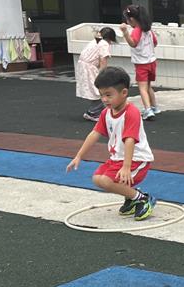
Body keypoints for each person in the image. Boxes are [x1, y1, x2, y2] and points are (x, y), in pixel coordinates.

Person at [66, 66, 156, 221]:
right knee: (97, 178)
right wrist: (78, 156)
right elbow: (94, 134)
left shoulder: (131, 112)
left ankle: (142, 198)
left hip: (136, 159)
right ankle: (132, 196)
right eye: (101, 95)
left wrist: (126, 167)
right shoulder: (106, 113)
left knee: (107, 181)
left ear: (124, 93)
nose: (104, 99)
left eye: (108, 95)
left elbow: (129, 140)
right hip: (117, 159)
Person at [120, 5, 159, 119]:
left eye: (127, 20)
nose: (127, 22)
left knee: (142, 88)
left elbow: (133, 43)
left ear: (132, 19)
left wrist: (125, 32)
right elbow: (155, 43)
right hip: (151, 61)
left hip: (141, 63)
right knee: (148, 86)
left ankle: (148, 110)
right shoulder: (148, 30)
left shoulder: (137, 30)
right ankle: (154, 107)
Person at [78, 27, 117, 121]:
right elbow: (103, 60)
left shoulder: (96, 41)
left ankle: (96, 111)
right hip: (89, 67)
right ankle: (93, 112)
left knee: (94, 89)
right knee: (100, 90)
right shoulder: (104, 44)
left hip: (83, 66)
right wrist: (103, 75)